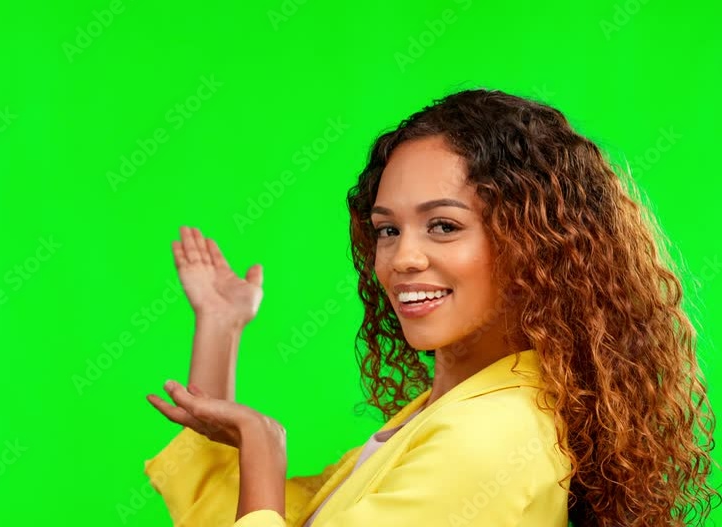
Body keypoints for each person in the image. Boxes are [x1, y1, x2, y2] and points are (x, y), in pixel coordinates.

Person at [143, 89, 718, 526]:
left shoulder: (490, 439)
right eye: (387, 229)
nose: (400, 259)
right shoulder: (450, 415)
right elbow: (245, 512)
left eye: (443, 226)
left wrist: (265, 449)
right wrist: (219, 329)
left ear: (536, 244)